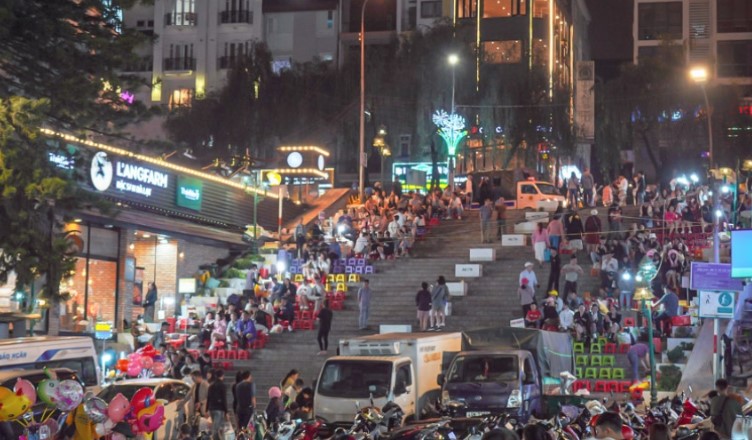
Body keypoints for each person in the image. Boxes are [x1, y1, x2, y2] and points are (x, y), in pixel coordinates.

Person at [207, 369, 229, 440]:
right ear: (222, 375)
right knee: (217, 428)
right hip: (219, 409)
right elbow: (224, 399)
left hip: (211, 408)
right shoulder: (222, 385)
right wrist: (226, 411)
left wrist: (207, 409)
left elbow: (208, 397)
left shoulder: (211, 385)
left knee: (215, 426)